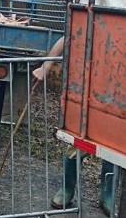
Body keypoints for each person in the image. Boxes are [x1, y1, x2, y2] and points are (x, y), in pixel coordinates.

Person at [34, 36, 117, 215]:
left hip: (116, 93)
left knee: (113, 146)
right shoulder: (91, 10)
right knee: (77, 141)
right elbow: (68, 35)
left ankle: (107, 195)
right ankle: (67, 189)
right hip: (87, 90)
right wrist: (46, 65)